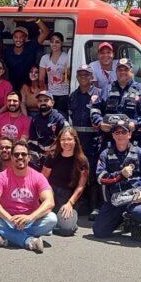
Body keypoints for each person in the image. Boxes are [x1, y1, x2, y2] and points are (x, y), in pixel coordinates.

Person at [0, 141, 57, 253]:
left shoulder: (38, 177)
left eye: (24, 154)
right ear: (12, 157)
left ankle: (7, 238)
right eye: (16, 154)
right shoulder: (2, 176)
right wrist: (9, 218)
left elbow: (50, 202)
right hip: (7, 220)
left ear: (29, 157)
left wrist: (30, 217)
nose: (20, 157)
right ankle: (28, 241)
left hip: (30, 220)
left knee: (52, 219)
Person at [93, 119, 141, 242]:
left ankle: (134, 224)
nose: (120, 135)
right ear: (113, 135)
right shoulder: (105, 154)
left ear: (130, 134)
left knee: (139, 212)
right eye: (117, 132)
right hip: (115, 200)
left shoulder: (140, 153)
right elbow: (100, 178)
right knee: (99, 232)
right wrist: (120, 175)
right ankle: (121, 219)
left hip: (134, 199)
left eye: (124, 132)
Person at [92, 58, 141, 151]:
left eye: (126, 69)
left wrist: (136, 124)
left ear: (132, 72)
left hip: (134, 141)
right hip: (109, 142)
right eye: (120, 70)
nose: (122, 72)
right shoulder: (107, 90)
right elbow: (95, 109)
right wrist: (100, 123)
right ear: (116, 72)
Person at [68, 64, 104, 220]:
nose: (83, 77)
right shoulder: (73, 96)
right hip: (79, 140)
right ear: (77, 77)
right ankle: (81, 202)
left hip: (94, 140)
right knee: (79, 172)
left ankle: (95, 206)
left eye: (87, 74)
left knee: (94, 172)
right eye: (80, 75)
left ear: (92, 77)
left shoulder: (99, 94)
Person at [41, 127, 88, 236]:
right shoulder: (52, 156)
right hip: (51, 193)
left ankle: (65, 223)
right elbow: (43, 178)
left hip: (69, 197)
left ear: (75, 141)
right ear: (59, 141)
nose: (66, 142)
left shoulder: (82, 160)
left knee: (66, 230)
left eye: (69, 139)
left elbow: (81, 186)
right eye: (63, 139)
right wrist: (48, 194)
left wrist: (70, 203)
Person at [0, 92, 31, 167]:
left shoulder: (27, 120)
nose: (11, 103)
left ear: (20, 103)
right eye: (9, 100)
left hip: (15, 151)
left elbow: (23, 140)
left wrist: (12, 153)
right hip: (0, 149)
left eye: (15, 101)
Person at [4, 22, 50, 91]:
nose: (18, 40)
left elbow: (45, 32)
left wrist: (37, 20)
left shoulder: (31, 46)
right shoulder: (8, 51)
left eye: (21, 37)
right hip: (12, 88)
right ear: (13, 38)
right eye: (16, 37)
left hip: (29, 89)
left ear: (26, 38)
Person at [28, 90, 68, 168]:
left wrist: (52, 151)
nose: (42, 103)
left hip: (57, 155)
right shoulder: (34, 119)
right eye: (40, 101)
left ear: (52, 103)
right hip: (40, 155)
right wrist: (41, 153)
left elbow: (66, 139)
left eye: (46, 100)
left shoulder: (59, 118)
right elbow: (32, 140)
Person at [39, 32, 70, 114]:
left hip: (64, 94)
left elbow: (68, 77)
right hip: (50, 94)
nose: (54, 44)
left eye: (57, 42)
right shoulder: (44, 58)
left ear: (62, 43)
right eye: (52, 42)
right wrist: (45, 95)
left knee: (62, 117)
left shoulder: (67, 57)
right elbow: (41, 79)